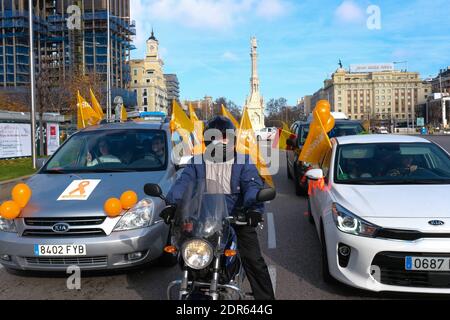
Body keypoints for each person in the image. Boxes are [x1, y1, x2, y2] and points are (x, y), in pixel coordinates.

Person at [165, 116, 275, 300]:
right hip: (206, 220)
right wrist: (172, 205)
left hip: (237, 219)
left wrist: (254, 208)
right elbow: (182, 184)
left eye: (226, 139)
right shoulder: (197, 162)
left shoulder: (243, 162)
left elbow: (252, 185)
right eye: (216, 139)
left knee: (254, 261)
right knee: (185, 255)